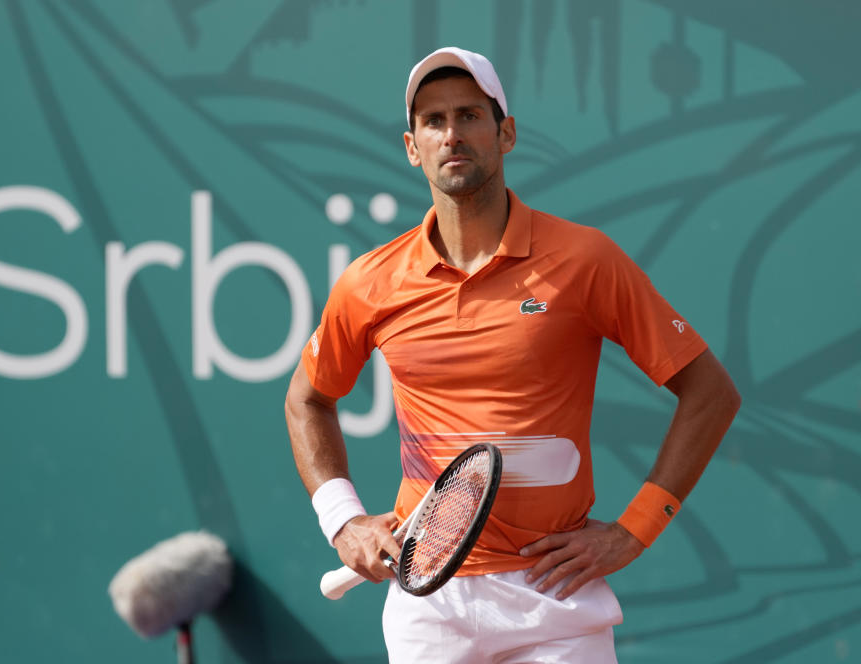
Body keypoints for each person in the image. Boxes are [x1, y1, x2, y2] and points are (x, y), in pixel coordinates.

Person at [285, 46, 741, 663]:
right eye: (434, 120)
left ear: (507, 133)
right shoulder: (369, 282)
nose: (453, 134)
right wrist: (344, 522)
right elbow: (307, 400)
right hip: (429, 605)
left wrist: (635, 531)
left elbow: (710, 392)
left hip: (555, 597)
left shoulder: (586, 260)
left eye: (470, 115)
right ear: (412, 146)